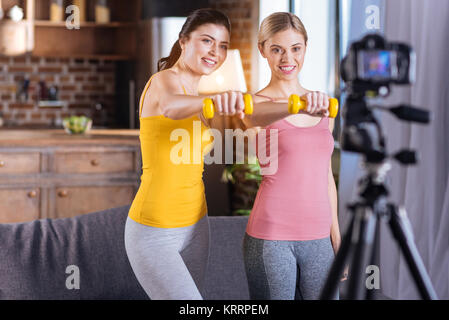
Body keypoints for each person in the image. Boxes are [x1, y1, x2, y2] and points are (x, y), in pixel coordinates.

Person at [124, 8, 247, 300]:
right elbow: (169, 107)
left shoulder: (200, 92)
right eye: (207, 41)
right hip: (154, 232)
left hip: (196, 226)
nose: (215, 51)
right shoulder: (163, 81)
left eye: (223, 46)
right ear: (183, 42)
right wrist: (216, 99)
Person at [241, 12, 347, 300]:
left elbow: (325, 176)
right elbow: (252, 125)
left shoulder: (324, 104)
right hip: (272, 237)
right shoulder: (255, 105)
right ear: (262, 49)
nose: (287, 58)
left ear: (305, 48)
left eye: (295, 48)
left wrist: (336, 236)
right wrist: (295, 106)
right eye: (277, 49)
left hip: (319, 238)